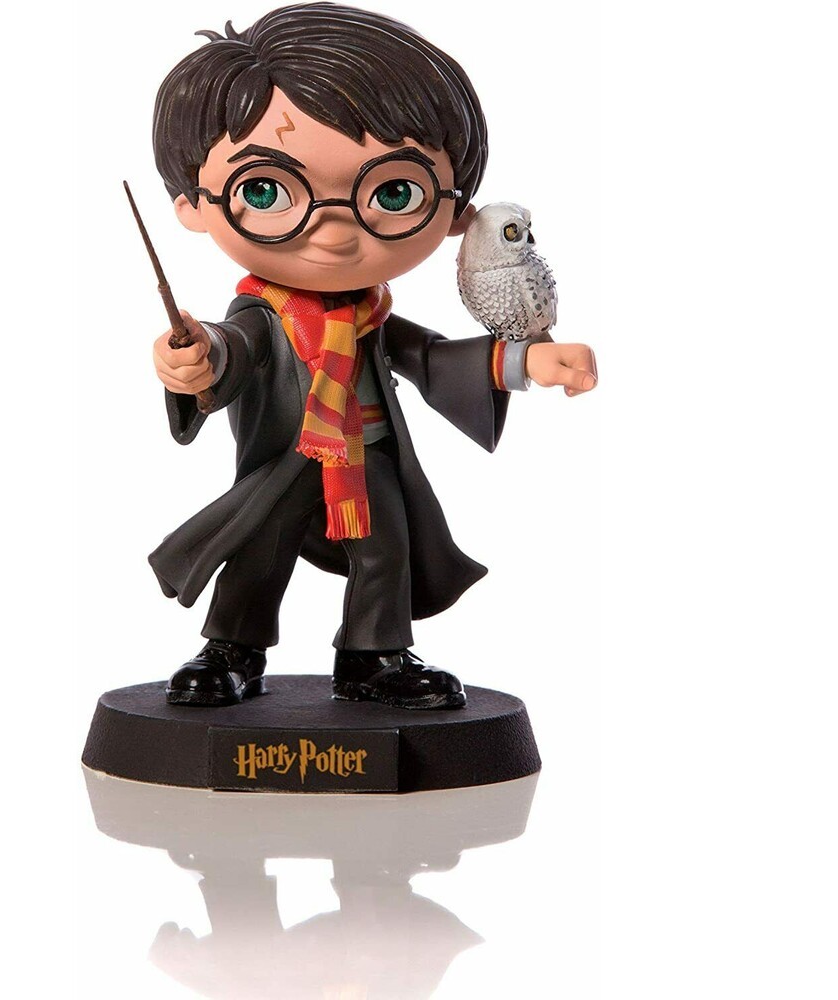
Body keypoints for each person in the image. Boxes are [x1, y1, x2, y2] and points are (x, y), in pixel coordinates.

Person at [148, 3, 597, 709]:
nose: (333, 234)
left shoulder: (373, 317)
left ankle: (374, 654)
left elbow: (432, 357)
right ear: (194, 205)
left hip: (370, 454)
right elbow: (232, 350)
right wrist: (196, 359)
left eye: (393, 192)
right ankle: (233, 647)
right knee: (259, 551)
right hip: (287, 459)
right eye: (264, 191)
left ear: (455, 211)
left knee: (387, 550)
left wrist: (524, 362)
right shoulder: (264, 315)